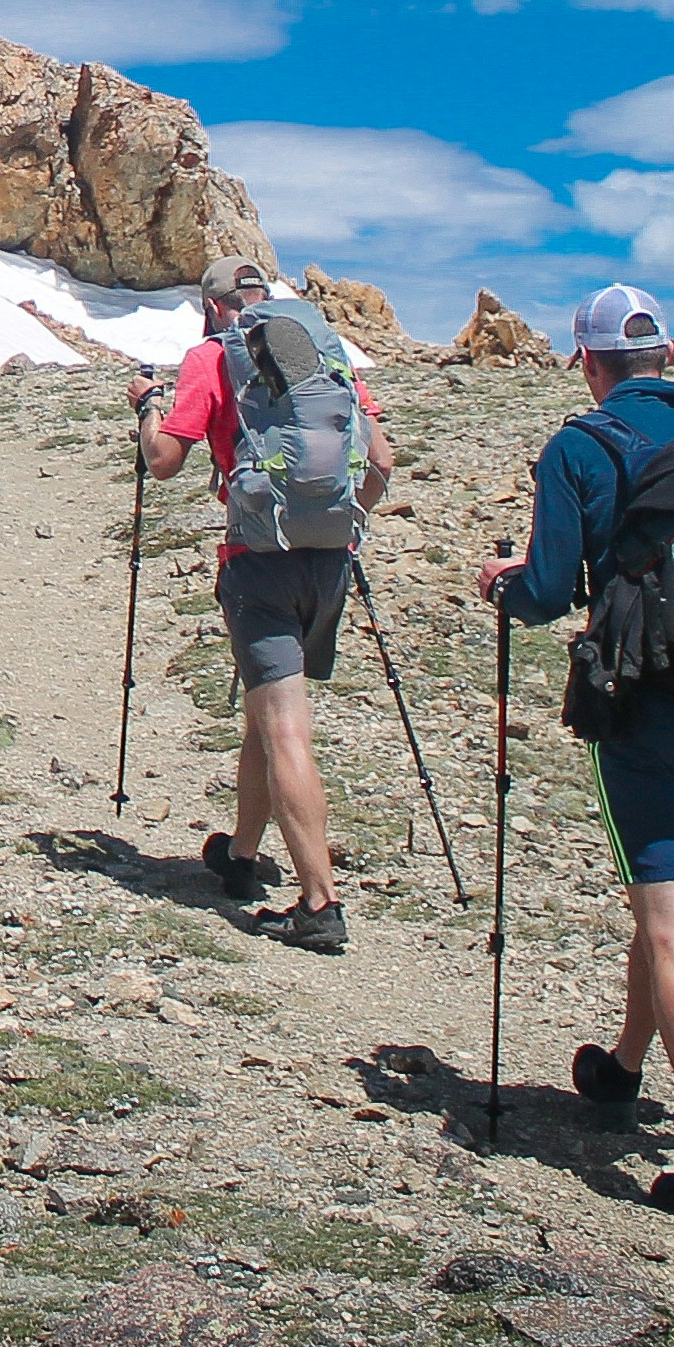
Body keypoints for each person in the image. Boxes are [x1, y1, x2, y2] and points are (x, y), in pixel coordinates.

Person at [472, 282, 674, 1240]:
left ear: (587, 363)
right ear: (671, 358)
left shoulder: (579, 447)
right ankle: (623, 1065)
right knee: (667, 891)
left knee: (670, 913)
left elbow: (553, 591)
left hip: (646, 708)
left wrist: (504, 587)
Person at [142, 256, 394, 953]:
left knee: (284, 727)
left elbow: (165, 460)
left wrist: (147, 406)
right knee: (266, 710)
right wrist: (344, 526)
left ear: (211, 307)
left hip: (259, 562)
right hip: (331, 562)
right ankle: (242, 853)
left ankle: (319, 901)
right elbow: (382, 461)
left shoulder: (214, 357)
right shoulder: (323, 353)